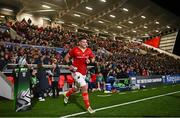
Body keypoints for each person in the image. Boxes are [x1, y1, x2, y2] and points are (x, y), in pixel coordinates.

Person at [64, 36, 95, 114]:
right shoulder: (75, 49)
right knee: (84, 86)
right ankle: (88, 107)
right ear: (79, 42)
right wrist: (70, 65)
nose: (85, 43)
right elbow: (66, 57)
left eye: (86, 42)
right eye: (84, 42)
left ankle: (67, 95)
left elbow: (93, 58)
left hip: (84, 72)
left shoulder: (89, 50)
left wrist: (90, 61)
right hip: (75, 71)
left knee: (77, 88)